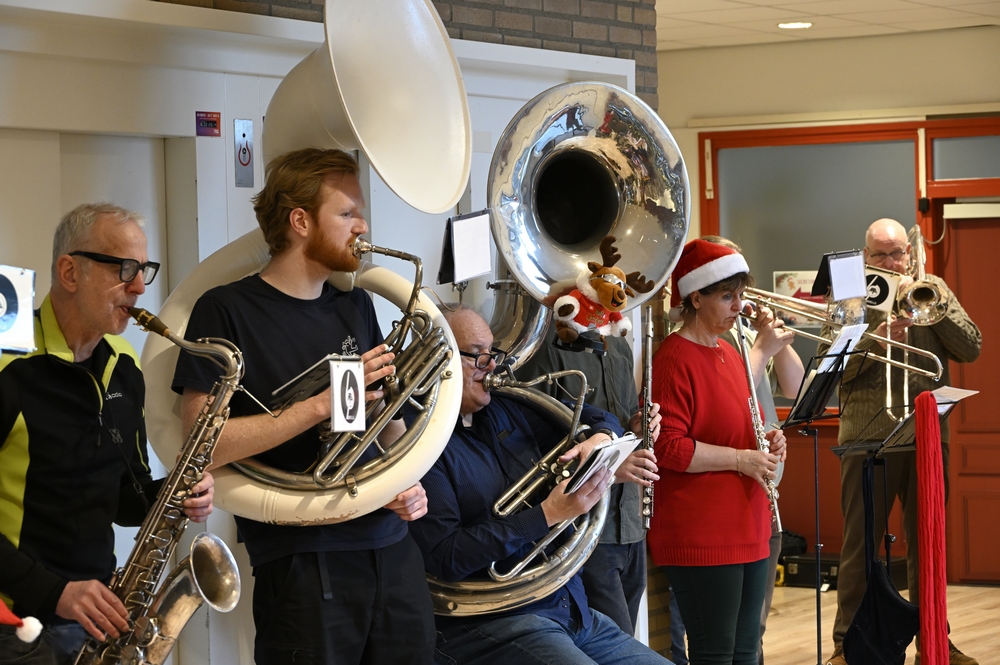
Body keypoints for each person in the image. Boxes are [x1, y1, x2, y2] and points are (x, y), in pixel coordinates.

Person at [171, 148, 435, 665]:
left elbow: (384, 419)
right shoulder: (225, 310)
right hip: (302, 554)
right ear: (300, 222)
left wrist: (407, 476)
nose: (362, 226)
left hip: (392, 546)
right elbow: (202, 445)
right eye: (347, 212)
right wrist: (318, 406)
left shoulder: (356, 304)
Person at [0, 203, 215, 665]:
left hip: (95, 617)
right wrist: (55, 591)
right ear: (70, 272)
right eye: (124, 269)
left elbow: (125, 500)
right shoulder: (8, 366)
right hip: (14, 623)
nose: (139, 288)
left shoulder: (125, 366)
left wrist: (177, 493)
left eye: (143, 270)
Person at [410, 305, 670, 665]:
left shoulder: (507, 405)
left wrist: (602, 438)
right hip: (497, 620)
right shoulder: (418, 443)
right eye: (477, 355)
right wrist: (547, 514)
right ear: (437, 358)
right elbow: (446, 556)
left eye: (492, 352)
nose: (492, 365)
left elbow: (597, 416)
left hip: (568, 607)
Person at [821, 218, 981, 665]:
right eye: (881, 254)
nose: (891, 262)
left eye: (897, 253)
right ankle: (846, 646)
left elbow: (971, 347)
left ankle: (935, 640)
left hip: (926, 435)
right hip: (865, 439)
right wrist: (874, 338)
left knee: (929, 542)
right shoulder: (851, 292)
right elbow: (830, 367)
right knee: (860, 547)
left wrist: (931, 308)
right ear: (865, 256)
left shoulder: (934, 288)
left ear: (909, 254)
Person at [649, 238, 789, 665]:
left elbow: (743, 426)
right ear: (696, 297)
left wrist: (770, 440)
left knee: (747, 652)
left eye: (740, 295)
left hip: (749, 524)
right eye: (727, 296)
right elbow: (668, 446)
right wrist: (741, 460)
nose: (738, 307)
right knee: (715, 654)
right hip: (703, 529)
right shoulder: (674, 357)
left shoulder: (729, 352)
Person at [514, 321, 661, 636]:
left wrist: (639, 428)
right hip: (584, 529)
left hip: (630, 524)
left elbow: (623, 429)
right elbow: (528, 452)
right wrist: (610, 468)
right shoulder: (545, 347)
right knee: (612, 645)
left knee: (626, 641)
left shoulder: (618, 343)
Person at [701, 235, 806, 665]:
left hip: (766, 483)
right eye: (728, 289)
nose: (738, 299)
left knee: (754, 626)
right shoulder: (700, 337)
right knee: (727, 629)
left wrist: (775, 337)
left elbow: (795, 386)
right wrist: (762, 347)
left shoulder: (745, 331)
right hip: (725, 487)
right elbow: (726, 395)